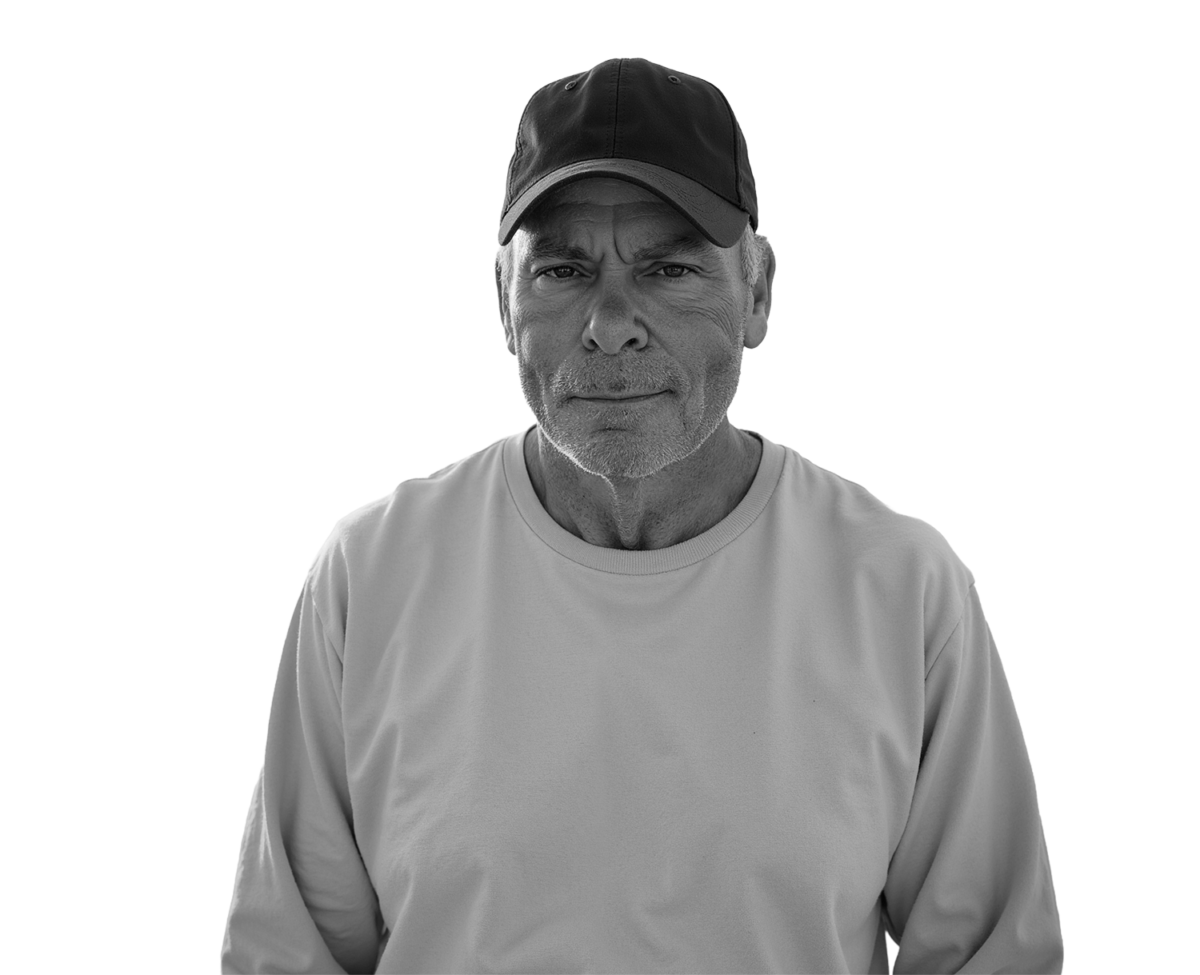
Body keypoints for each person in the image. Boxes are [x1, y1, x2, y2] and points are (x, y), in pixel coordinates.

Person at [220, 57, 1064, 974]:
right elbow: (286, 956)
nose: (611, 321)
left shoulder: (903, 588)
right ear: (503, 304)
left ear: (758, 291)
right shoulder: (369, 576)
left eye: (668, 268)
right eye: (564, 269)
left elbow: (992, 958)